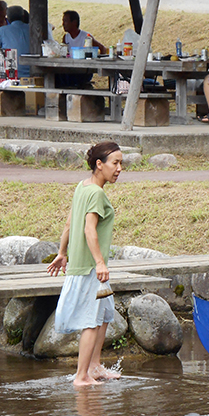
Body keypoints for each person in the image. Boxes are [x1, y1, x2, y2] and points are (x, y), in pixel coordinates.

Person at [47, 142, 123, 387]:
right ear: (99, 165)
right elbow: (88, 229)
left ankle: (95, 366)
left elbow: (70, 223)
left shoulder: (83, 187)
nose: (119, 168)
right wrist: (100, 263)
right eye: (115, 163)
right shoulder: (96, 193)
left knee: (103, 315)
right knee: (91, 320)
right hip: (92, 268)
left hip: (89, 266)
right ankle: (81, 376)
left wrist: (61, 252)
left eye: (121, 163)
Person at [0, 5, 30, 77]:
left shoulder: (2, 31)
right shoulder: (33, 30)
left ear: (8, 18)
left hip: (11, 75)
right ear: (23, 16)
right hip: (34, 72)